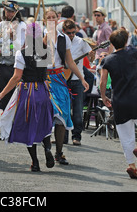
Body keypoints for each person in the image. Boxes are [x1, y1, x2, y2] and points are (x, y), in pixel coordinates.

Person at [0, 22, 54, 172]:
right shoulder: (46, 51)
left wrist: (2, 94)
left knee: (29, 126)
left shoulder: (21, 53)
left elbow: (16, 77)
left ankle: (35, 162)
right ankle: (47, 147)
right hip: (42, 90)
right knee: (43, 122)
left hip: (28, 92)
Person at [100, 28, 137, 179]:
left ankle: (131, 165)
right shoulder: (131, 53)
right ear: (125, 41)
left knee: (125, 136)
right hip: (136, 97)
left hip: (119, 100)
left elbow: (103, 81)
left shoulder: (107, 60)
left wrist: (104, 96)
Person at [45, 16, 89, 164]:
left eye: (53, 17)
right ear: (44, 20)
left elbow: (70, 62)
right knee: (45, 116)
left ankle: (58, 152)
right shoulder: (39, 38)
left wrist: (82, 78)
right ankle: (46, 149)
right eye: (48, 18)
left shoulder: (64, 39)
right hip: (45, 80)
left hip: (59, 79)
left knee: (62, 117)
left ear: (57, 20)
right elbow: (37, 62)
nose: (51, 20)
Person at [62, 20, 93, 146]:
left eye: (73, 32)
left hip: (77, 80)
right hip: (64, 78)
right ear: (64, 31)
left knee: (78, 110)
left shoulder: (80, 42)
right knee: (64, 110)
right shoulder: (61, 41)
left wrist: (92, 55)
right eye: (69, 33)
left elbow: (91, 59)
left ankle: (77, 137)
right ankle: (62, 137)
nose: (71, 35)